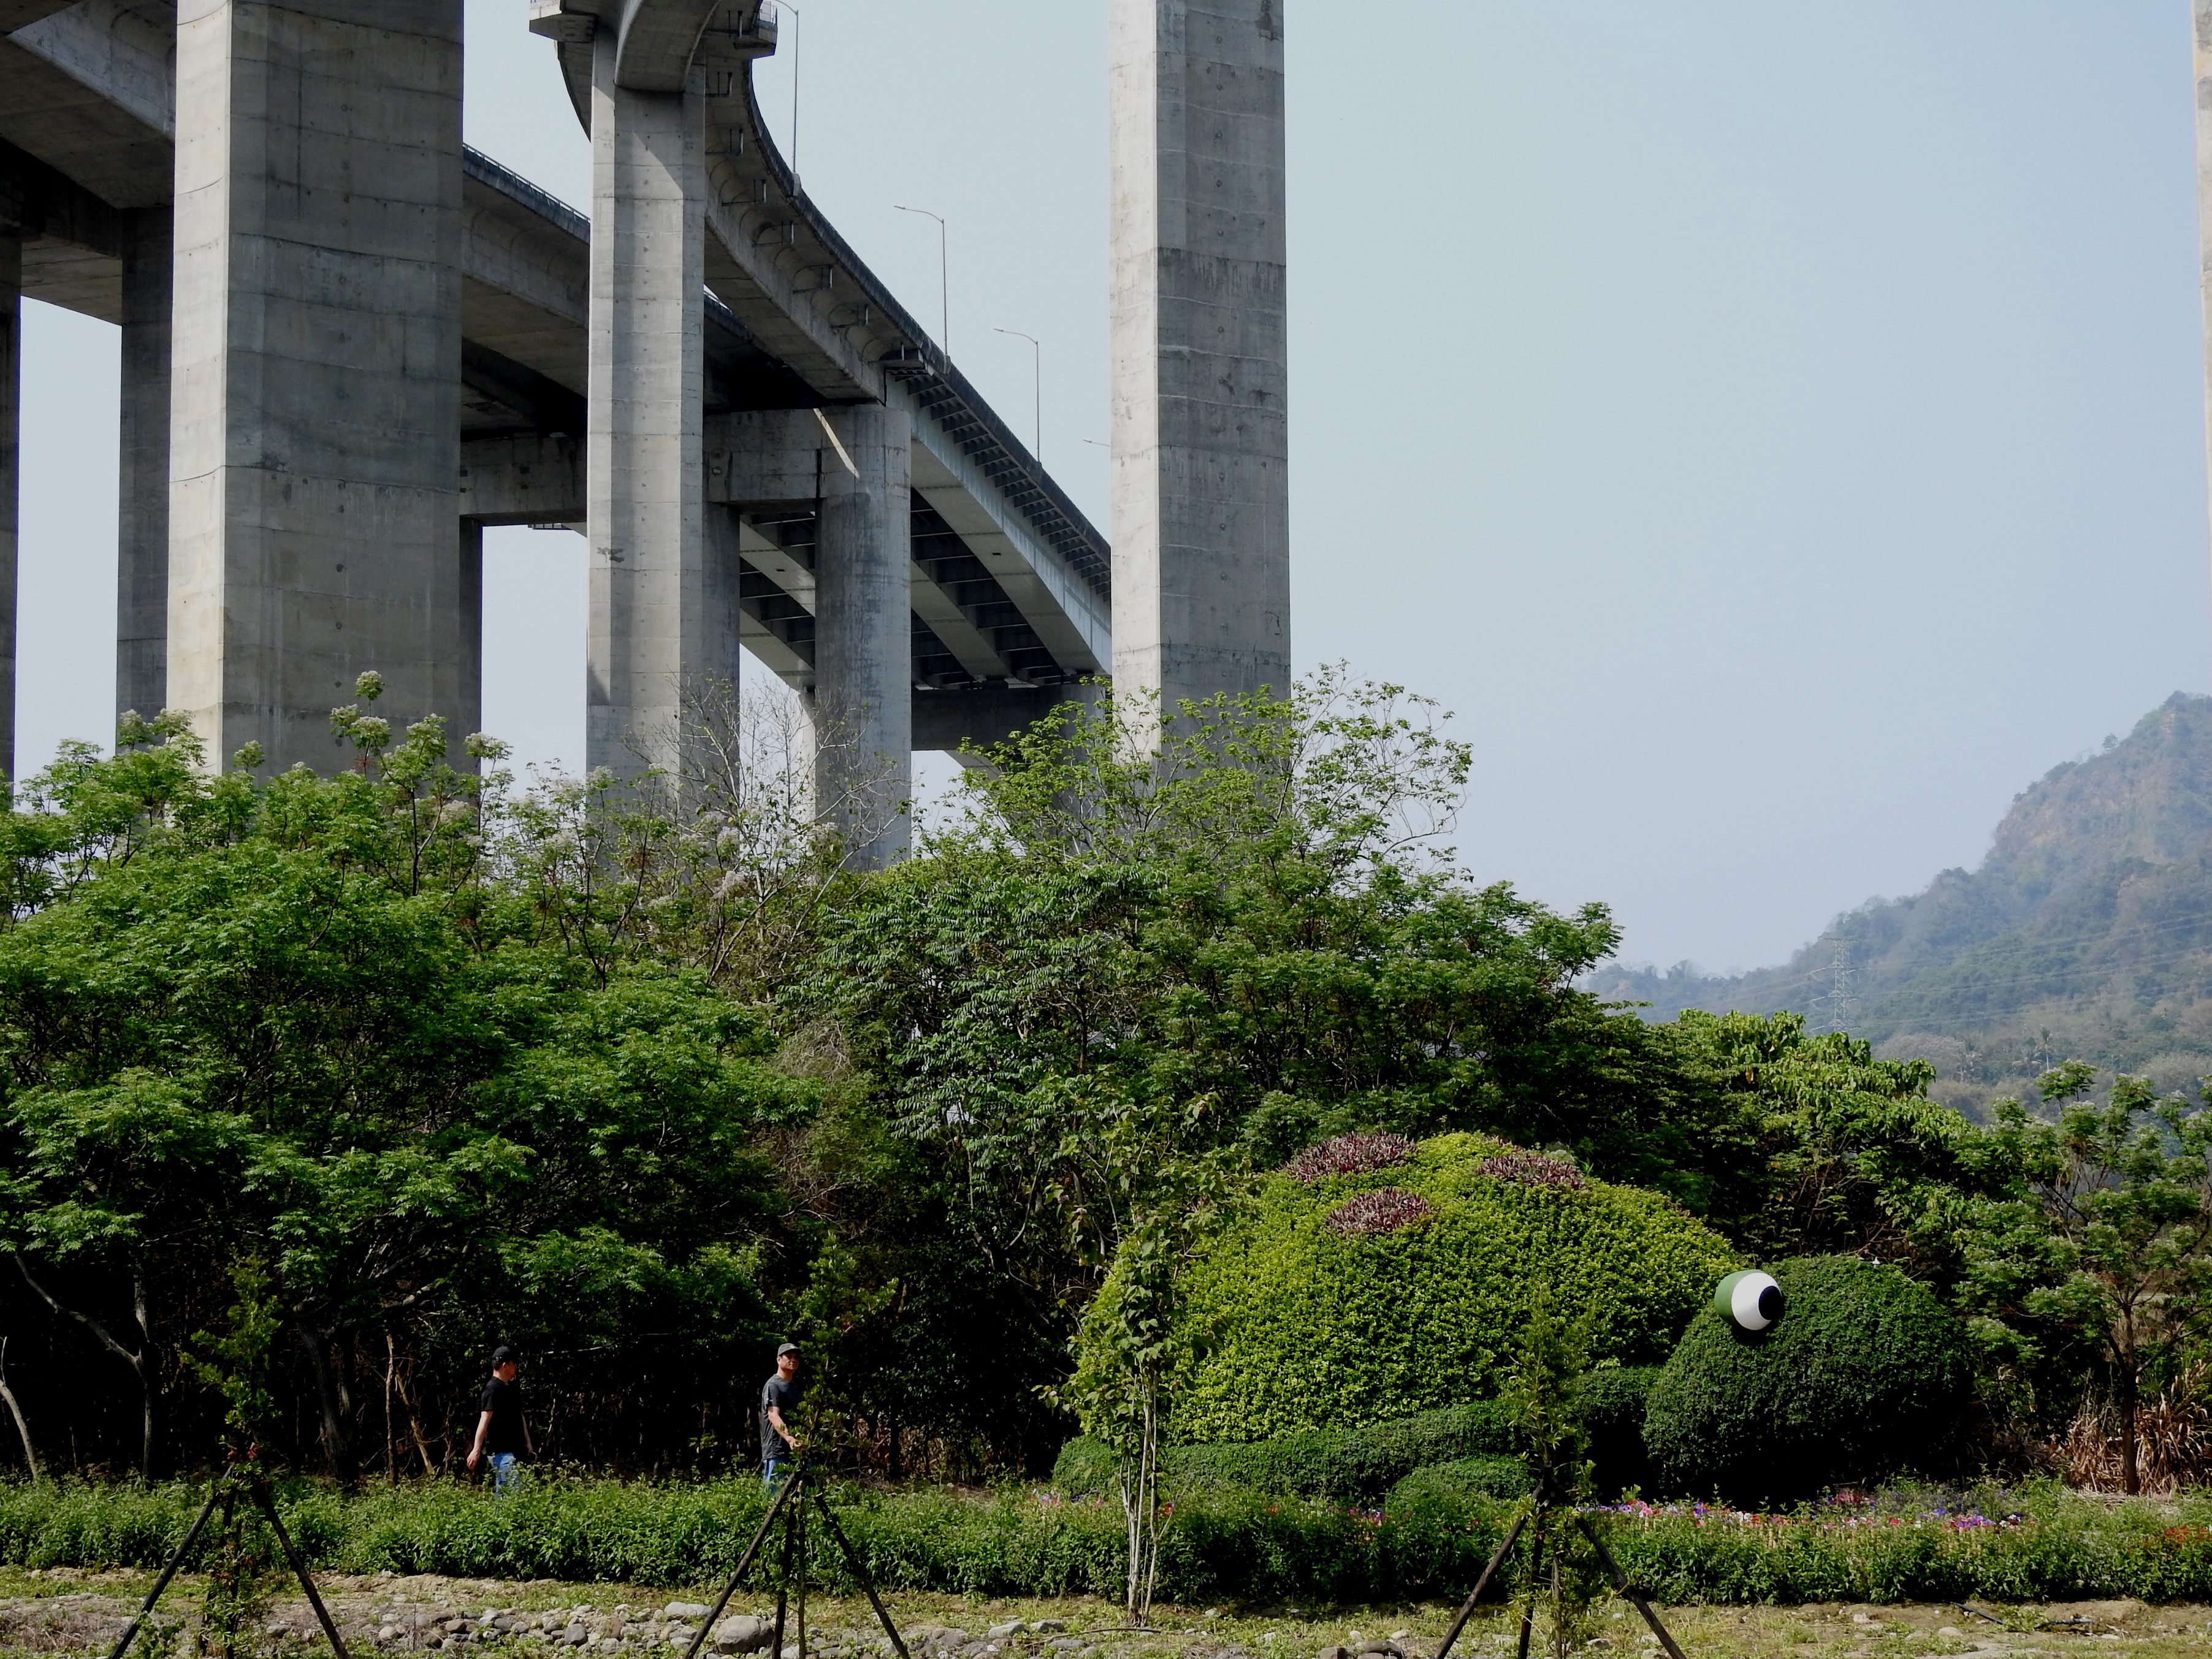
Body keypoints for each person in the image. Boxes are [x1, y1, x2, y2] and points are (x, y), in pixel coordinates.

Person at [465, 1346, 534, 1498]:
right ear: (505, 1365)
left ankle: (499, 1514)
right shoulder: (492, 1390)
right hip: (501, 1452)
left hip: (516, 1451)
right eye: (514, 1364)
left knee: (505, 1494)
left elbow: (520, 1417)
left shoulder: (512, 1389)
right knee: (513, 1491)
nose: (516, 1368)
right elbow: (484, 1420)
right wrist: (476, 1450)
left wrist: (528, 1443)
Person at [761, 1342, 803, 1487]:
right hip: (777, 1451)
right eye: (789, 1356)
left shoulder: (795, 1387)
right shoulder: (773, 1385)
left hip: (796, 1451)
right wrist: (789, 1439)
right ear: (779, 1360)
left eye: (796, 1357)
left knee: (805, 1493)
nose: (793, 1360)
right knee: (775, 1495)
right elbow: (773, 1415)